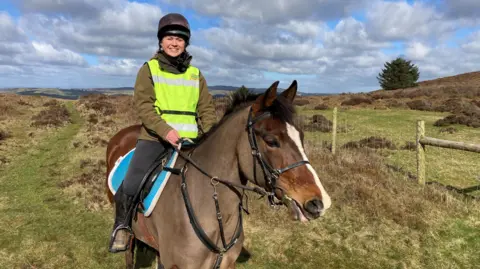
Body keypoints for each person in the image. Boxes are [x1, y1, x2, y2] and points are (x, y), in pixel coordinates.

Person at [109, 13, 217, 253]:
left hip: (191, 143)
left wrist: (209, 137)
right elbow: (144, 107)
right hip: (156, 139)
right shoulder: (149, 69)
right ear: (160, 41)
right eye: (169, 37)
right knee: (132, 181)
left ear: (186, 43)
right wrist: (165, 131)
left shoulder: (196, 75)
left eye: (180, 39)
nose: (174, 43)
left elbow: (207, 109)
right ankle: (122, 228)